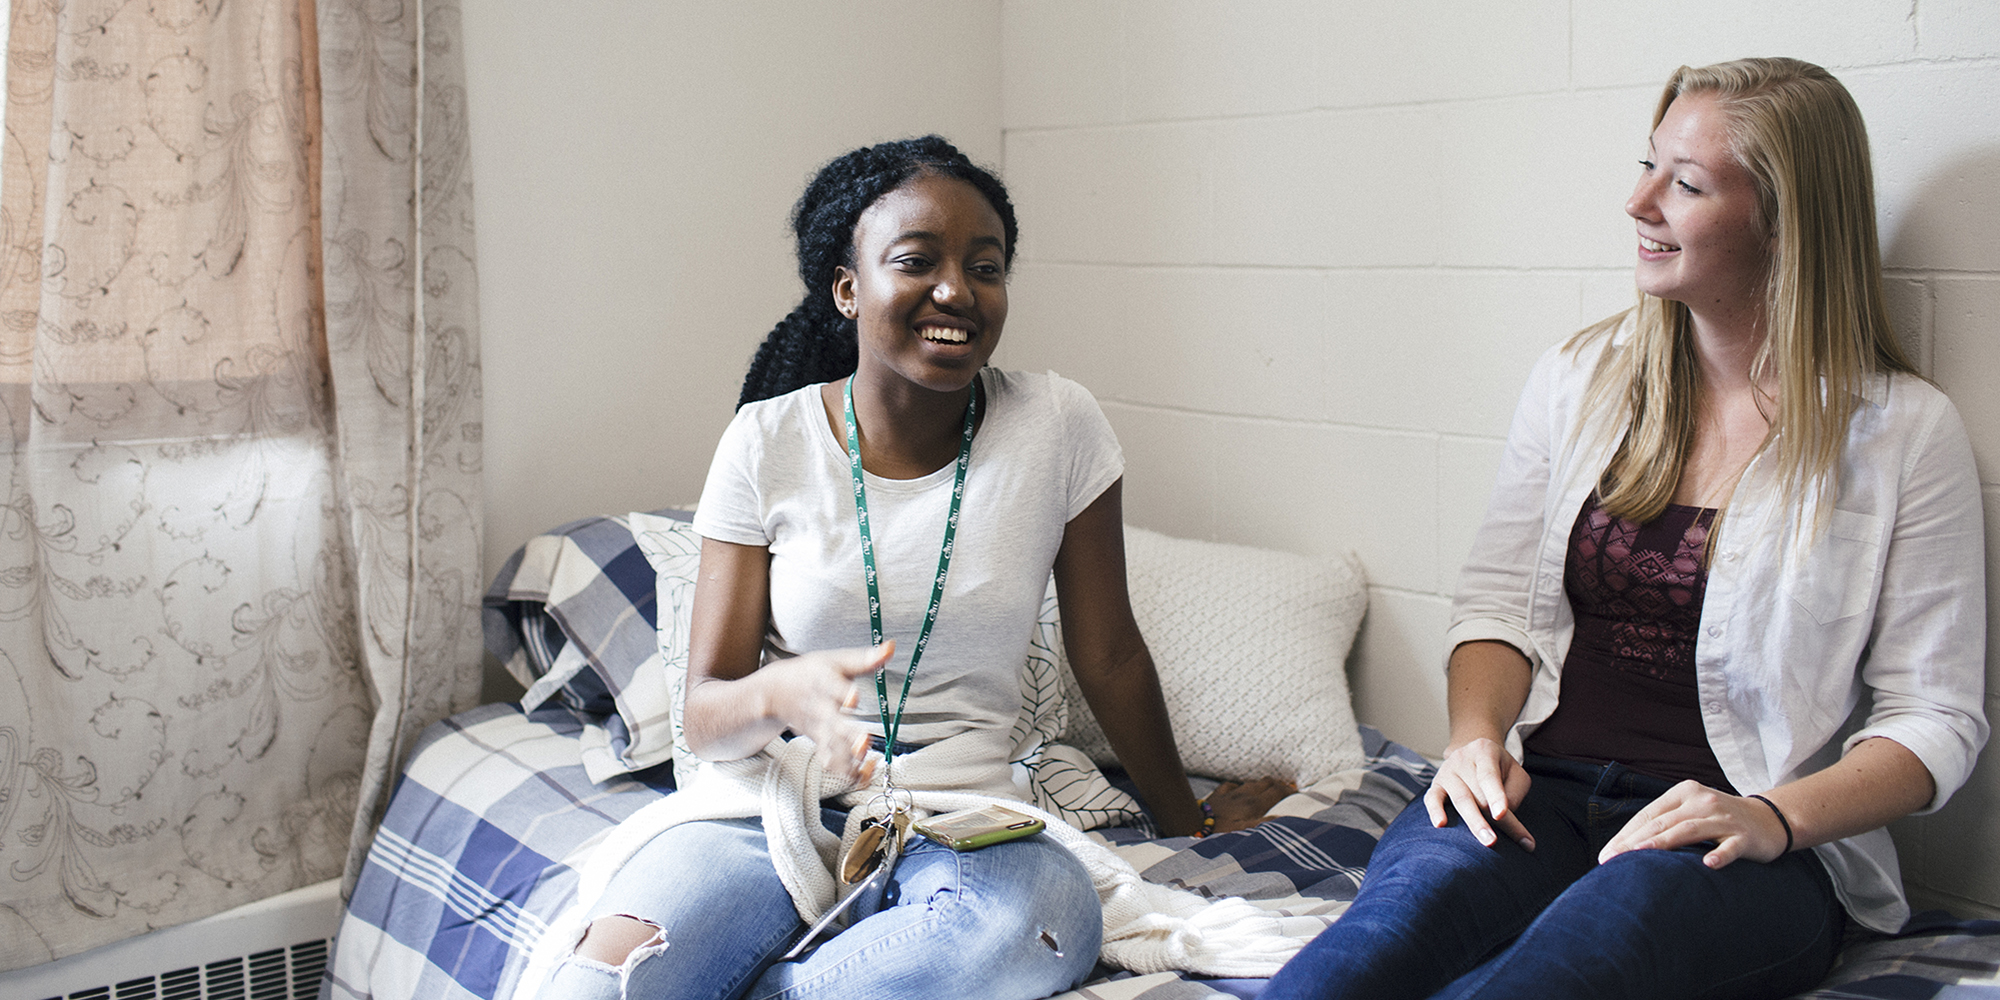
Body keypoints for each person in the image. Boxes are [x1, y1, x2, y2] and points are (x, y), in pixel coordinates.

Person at [1264, 57, 1987, 1000]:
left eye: (1685, 184)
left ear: (1785, 223)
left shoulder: (1902, 433)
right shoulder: (1580, 379)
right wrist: (1476, 738)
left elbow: (1935, 717)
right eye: (1648, 166)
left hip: (1738, 843)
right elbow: (1497, 606)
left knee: (1562, 972)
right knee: (1354, 966)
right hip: (1540, 797)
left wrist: (1773, 815)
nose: (1638, 202)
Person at [535, 136, 1289, 1000]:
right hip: (770, 805)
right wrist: (783, 696)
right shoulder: (765, 441)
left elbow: (1110, 656)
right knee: (598, 983)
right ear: (848, 289)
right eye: (917, 261)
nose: (957, 292)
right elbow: (706, 713)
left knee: (1038, 929)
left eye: (986, 267)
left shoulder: (1056, 424)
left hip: (967, 821)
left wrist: (1182, 821)